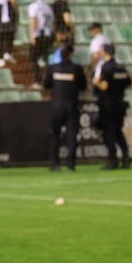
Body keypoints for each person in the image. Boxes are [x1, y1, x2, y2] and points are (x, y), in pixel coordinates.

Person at [43, 43, 85, 171]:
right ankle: (71, 164)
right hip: (72, 105)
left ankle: (54, 163)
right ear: (71, 55)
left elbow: (46, 85)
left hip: (57, 106)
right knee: (71, 135)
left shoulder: (53, 68)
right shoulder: (76, 69)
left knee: (55, 134)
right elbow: (83, 85)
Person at [93, 44, 132, 170]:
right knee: (118, 131)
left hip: (108, 104)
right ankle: (126, 157)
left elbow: (104, 86)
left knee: (109, 132)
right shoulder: (121, 68)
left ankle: (112, 160)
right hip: (120, 102)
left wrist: (96, 82)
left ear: (105, 52)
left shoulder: (106, 68)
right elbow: (129, 83)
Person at [27, 0, 55, 87]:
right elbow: (52, 22)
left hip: (39, 34)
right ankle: (49, 81)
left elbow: (33, 20)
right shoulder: (48, 7)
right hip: (48, 35)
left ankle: (38, 81)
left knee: (33, 58)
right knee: (46, 58)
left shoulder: (34, 6)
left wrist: (32, 35)